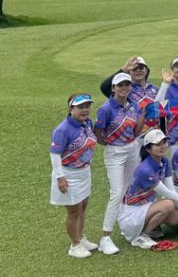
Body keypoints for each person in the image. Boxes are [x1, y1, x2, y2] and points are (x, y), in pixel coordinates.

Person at [118, 129, 178, 249]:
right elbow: (165, 192)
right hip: (130, 216)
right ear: (148, 149)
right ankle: (141, 236)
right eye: (158, 144)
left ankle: (152, 228)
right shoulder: (145, 169)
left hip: (145, 208)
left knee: (177, 219)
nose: (163, 146)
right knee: (168, 204)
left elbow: (171, 189)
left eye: (164, 142)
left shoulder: (165, 161)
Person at [94, 72, 142, 254]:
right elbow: (98, 133)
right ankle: (105, 237)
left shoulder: (134, 105)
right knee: (116, 193)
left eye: (127, 85)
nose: (124, 88)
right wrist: (111, 144)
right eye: (120, 85)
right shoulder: (106, 109)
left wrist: (144, 115)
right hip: (115, 152)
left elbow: (136, 131)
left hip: (132, 148)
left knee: (131, 187)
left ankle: (129, 225)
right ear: (113, 88)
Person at [50, 93, 98, 258]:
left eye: (87, 106)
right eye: (80, 107)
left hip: (84, 172)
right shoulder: (62, 129)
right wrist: (60, 177)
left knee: (83, 205)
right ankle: (75, 245)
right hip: (68, 174)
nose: (85, 110)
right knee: (74, 210)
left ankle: (81, 237)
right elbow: (55, 154)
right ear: (71, 108)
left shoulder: (87, 123)